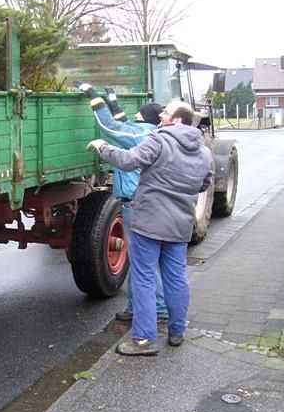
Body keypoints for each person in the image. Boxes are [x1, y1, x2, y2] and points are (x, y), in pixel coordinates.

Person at [86, 101, 213, 356]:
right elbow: (203, 184)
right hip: (179, 225)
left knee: (144, 278)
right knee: (176, 278)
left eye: (166, 113)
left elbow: (129, 161)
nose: (161, 116)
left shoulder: (159, 140)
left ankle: (143, 340)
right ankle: (177, 331)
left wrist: (103, 148)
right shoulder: (203, 152)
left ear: (177, 120)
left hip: (150, 222)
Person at [76, 82, 168, 323]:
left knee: (142, 262)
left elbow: (111, 127)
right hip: (143, 205)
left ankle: (157, 309)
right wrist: (113, 101)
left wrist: (92, 95)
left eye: (138, 114)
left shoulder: (141, 134)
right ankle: (135, 307)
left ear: (145, 118)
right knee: (142, 261)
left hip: (135, 206)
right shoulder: (147, 131)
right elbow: (125, 124)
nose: (134, 116)